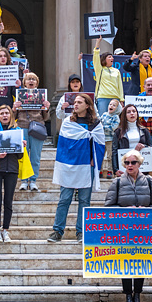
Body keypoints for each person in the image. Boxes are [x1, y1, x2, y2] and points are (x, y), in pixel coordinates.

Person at [106, 149, 152, 302]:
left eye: (133, 162)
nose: (130, 165)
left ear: (139, 164)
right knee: (125, 262)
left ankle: (137, 295)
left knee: (141, 262)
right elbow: (108, 207)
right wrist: (125, 210)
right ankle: (127, 296)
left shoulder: (150, 181)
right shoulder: (116, 182)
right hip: (123, 230)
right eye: (127, 163)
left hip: (144, 229)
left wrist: (145, 210)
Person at [48, 94, 104, 243]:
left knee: (84, 201)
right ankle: (57, 231)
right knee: (64, 199)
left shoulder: (96, 124)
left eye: (80, 102)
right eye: (75, 102)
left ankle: (81, 232)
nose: (76, 105)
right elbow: (64, 145)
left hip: (86, 166)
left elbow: (99, 144)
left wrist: (94, 160)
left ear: (88, 105)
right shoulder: (68, 122)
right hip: (69, 166)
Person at [0, 105, 34, 243]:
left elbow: (19, 156)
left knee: (8, 202)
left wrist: (21, 147)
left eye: (7, 113)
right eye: (2, 113)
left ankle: (6, 230)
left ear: (11, 115)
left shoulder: (17, 131)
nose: (5, 115)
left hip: (12, 169)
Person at [14, 71, 50, 191]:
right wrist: (15, 107)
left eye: (33, 79)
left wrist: (46, 108)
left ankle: (33, 180)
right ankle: (24, 181)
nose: (31, 81)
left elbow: (46, 118)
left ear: (37, 83)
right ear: (24, 83)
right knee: (23, 155)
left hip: (37, 128)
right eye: (28, 79)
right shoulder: (19, 96)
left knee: (35, 156)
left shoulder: (41, 96)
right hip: (22, 126)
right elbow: (13, 116)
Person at [92, 36, 125, 113]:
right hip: (103, 98)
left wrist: (121, 99)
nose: (112, 58)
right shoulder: (100, 69)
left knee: (115, 120)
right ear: (104, 59)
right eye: (109, 57)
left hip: (115, 98)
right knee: (102, 119)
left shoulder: (116, 71)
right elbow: (96, 57)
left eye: (112, 57)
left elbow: (120, 86)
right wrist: (97, 43)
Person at [99, 99, 122, 179]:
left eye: (114, 105)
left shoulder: (116, 117)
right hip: (102, 139)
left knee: (109, 156)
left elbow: (113, 127)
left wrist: (103, 127)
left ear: (117, 108)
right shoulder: (104, 115)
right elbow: (99, 122)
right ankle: (100, 171)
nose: (111, 106)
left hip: (110, 140)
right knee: (100, 155)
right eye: (110, 104)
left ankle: (110, 171)